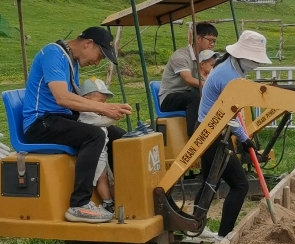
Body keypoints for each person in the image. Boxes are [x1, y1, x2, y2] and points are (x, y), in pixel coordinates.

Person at [22, 26, 132, 223]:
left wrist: (106, 112)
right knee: (95, 135)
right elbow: (62, 98)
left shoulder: (72, 61)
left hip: (59, 119)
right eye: (99, 55)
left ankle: (123, 195)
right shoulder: (53, 53)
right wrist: (103, 109)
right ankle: (79, 204)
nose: (97, 62)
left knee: (116, 134)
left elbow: (75, 100)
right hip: (40, 123)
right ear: (88, 43)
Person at [192, 30, 272, 242]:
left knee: (211, 182)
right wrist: (244, 138)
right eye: (254, 60)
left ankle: (194, 226)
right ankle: (223, 234)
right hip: (211, 133)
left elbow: (232, 114)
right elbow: (231, 115)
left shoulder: (232, 70)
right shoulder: (228, 77)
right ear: (242, 56)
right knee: (240, 185)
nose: (256, 64)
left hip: (212, 130)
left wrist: (243, 136)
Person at [159, 23, 218, 138]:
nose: (212, 44)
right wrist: (209, 86)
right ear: (198, 38)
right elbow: (188, 80)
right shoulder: (181, 56)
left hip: (188, 94)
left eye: (214, 41)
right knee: (196, 98)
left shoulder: (205, 58)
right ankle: (195, 135)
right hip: (170, 97)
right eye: (210, 40)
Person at [78, 77, 118, 214]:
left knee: (110, 177)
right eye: (100, 102)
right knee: (103, 178)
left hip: (102, 151)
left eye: (104, 102)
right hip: (96, 154)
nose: (103, 105)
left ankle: (117, 200)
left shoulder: (93, 112)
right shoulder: (86, 114)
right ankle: (107, 202)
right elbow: (102, 122)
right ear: (86, 99)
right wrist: (114, 116)